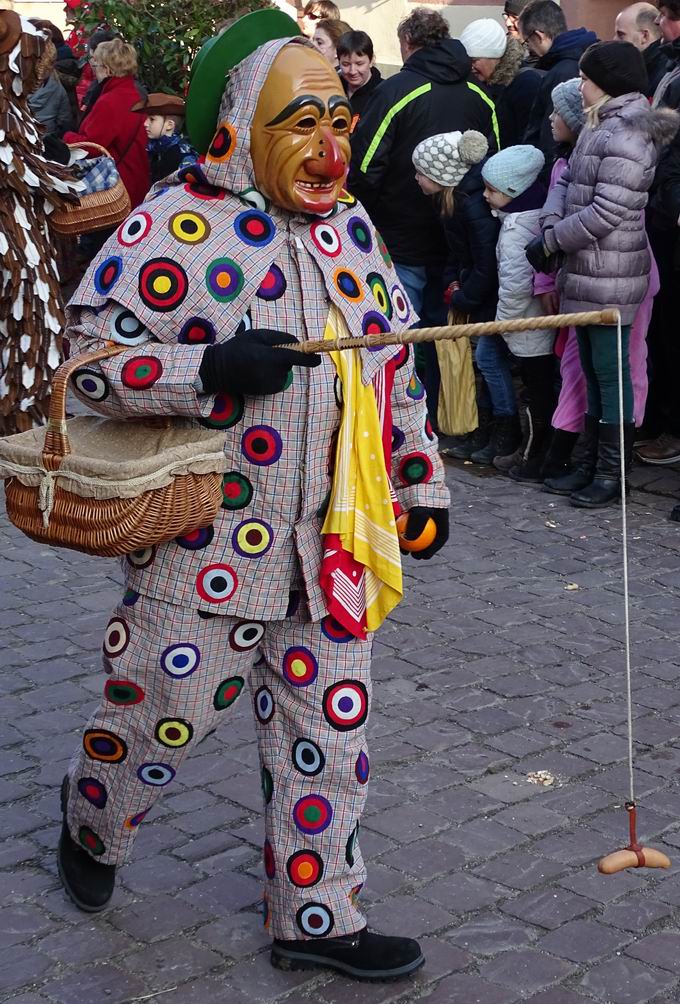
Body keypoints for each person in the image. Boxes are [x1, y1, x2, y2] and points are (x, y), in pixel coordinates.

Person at [56, 12, 449, 982]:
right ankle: (93, 814)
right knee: (158, 712)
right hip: (203, 546)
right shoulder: (173, 223)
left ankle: (316, 913)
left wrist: (418, 477)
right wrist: (206, 367)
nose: (327, 148)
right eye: (300, 122)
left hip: (333, 555)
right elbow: (83, 368)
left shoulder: (354, 227)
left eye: (339, 122)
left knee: (330, 734)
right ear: (238, 126)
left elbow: (392, 368)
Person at [529, 41, 678, 506]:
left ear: (608, 83)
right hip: (588, 270)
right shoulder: (603, 125)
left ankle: (612, 475)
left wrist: (553, 240)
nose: (581, 85)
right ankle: (590, 463)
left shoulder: (629, 133)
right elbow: (571, 179)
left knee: (611, 376)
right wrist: (551, 221)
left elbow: (607, 211)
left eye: (587, 78)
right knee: (593, 374)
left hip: (613, 273)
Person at [349, 8, 500, 426]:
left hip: (403, 237)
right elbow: (494, 167)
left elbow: (364, 168)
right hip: (462, 242)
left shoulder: (395, 91)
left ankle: (408, 422)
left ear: (408, 45)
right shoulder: (481, 95)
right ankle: (447, 418)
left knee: (404, 331)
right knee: (447, 335)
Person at [0, 12, 80, 435]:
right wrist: (63, 180)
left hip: (22, 229)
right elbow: (20, 168)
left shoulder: (15, 112)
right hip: (11, 238)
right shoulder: (5, 115)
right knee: (28, 313)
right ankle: (21, 423)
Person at [411, 130, 499, 461]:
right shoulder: (452, 202)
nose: (416, 178)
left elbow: (485, 261)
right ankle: (478, 430)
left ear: (441, 175)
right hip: (466, 291)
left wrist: (466, 297)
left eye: (421, 172)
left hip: (482, 300)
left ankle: (489, 431)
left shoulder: (472, 206)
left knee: (486, 364)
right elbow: (456, 254)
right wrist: (452, 283)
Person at [475, 145, 553, 475]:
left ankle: (533, 456)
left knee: (537, 393)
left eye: (492, 190)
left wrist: (504, 326)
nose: (485, 195)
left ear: (513, 192)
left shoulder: (516, 231)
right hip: (530, 324)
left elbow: (515, 286)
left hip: (527, 327)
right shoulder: (528, 218)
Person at [64, 39, 150, 210]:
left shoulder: (110, 101)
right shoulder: (136, 93)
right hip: (137, 178)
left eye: (96, 65)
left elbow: (92, 147)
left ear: (108, 69)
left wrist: (66, 136)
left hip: (116, 187)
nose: (94, 70)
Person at [520, 0, 598, 163]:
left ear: (538, 35)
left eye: (527, 42)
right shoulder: (583, 60)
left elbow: (551, 137)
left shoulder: (561, 72)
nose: (529, 49)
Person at [460, 18, 542, 146]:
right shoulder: (478, 84)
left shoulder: (525, 84)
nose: (470, 67)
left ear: (495, 57)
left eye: (474, 60)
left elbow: (527, 138)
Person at [131, 93, 197, 184]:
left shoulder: (182, 155)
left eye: (152, 119)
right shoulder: (157, 148)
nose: (145, 123)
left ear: (169, 125)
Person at [614, 2, 669, 97]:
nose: (615, 40)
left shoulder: (664, 72)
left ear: (644, 36)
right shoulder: (640, 68)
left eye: (621, 35)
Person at [28, 37, 74, 137]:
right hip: (47, 141)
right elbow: (65, 121)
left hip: (18, 142)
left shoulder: (11, 86)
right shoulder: (58, 88)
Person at [337, 30, 382, 126]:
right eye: (346, 64)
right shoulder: (333, 87)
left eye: (359, 64)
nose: (352, 71)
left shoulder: (383, 93)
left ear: (371, 61)